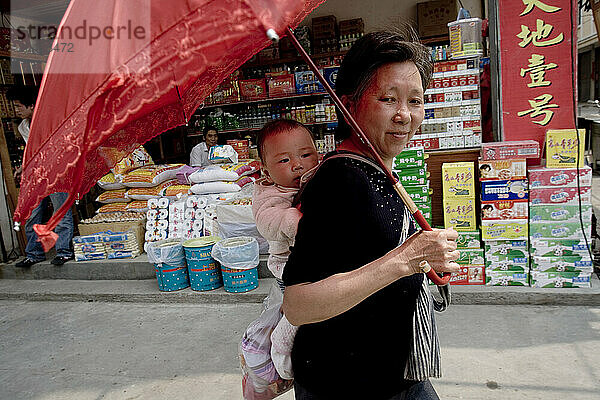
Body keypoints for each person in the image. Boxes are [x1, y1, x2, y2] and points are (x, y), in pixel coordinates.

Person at [281, 30, 460, 399]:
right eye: (387, 99)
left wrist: (424, 258)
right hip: (346, 382)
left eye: (415, 100)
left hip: (392, 371)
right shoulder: (342, 180)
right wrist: (408, 258)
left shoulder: (377, 170)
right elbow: (298, 304)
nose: (404, 115)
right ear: (348, 104)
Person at [252, 119, 320, 379]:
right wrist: (299, 223)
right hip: (287, 270)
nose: (298, 164)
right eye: (284, 160)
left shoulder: (314, 179)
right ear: (266, 171)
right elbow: (270, 222)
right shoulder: (268, 196)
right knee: (296, 318)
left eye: (305, 154)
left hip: (310, 264)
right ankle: (280, 350)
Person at [7, 86, 74, 268]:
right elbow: (31, 151)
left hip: (57, 172)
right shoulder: (23, 127)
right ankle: (34, 253)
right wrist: (23, 168)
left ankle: (63, 251)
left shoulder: (47, 121)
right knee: (32, 213)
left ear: (30, 105)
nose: (16, 110)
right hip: (38, 175)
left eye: (19, 106)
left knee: (60, 211)